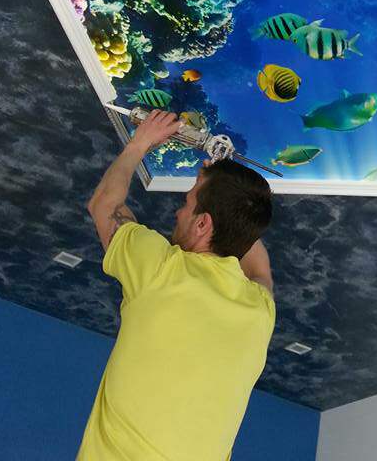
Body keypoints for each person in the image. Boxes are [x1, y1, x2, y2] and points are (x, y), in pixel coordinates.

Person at [77, 110, 275, 461]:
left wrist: (140, 142)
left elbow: (104, 203)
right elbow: (257, 262)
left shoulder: (161, 269)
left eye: (187, 202)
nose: (178, 212)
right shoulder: (259, 309)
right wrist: (230, 197)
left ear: (202, 225)